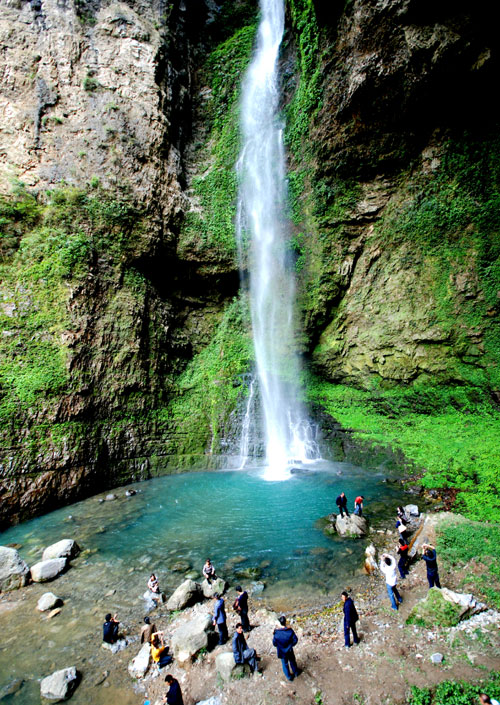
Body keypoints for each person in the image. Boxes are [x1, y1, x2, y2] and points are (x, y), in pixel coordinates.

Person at [272, 616, 299, 682]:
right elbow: (295, 640)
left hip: (281, 651)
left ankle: (289, 677)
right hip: (289, 650)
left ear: (280, 623)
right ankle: (296, 672)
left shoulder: (276, 633)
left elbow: (274, 643)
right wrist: (291, 645)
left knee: (284, 664)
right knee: (292, 661)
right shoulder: (290, 631)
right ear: (285, 622)